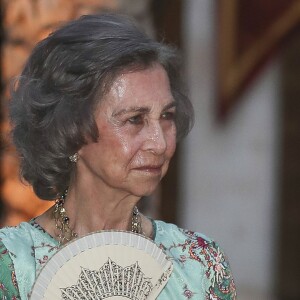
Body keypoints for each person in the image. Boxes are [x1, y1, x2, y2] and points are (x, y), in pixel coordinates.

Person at [0, 14, 236, 299]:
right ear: (71, 130)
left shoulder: (200, 265)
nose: (159, 143)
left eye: (166, 116)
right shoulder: (13, 265)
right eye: (135, 119)